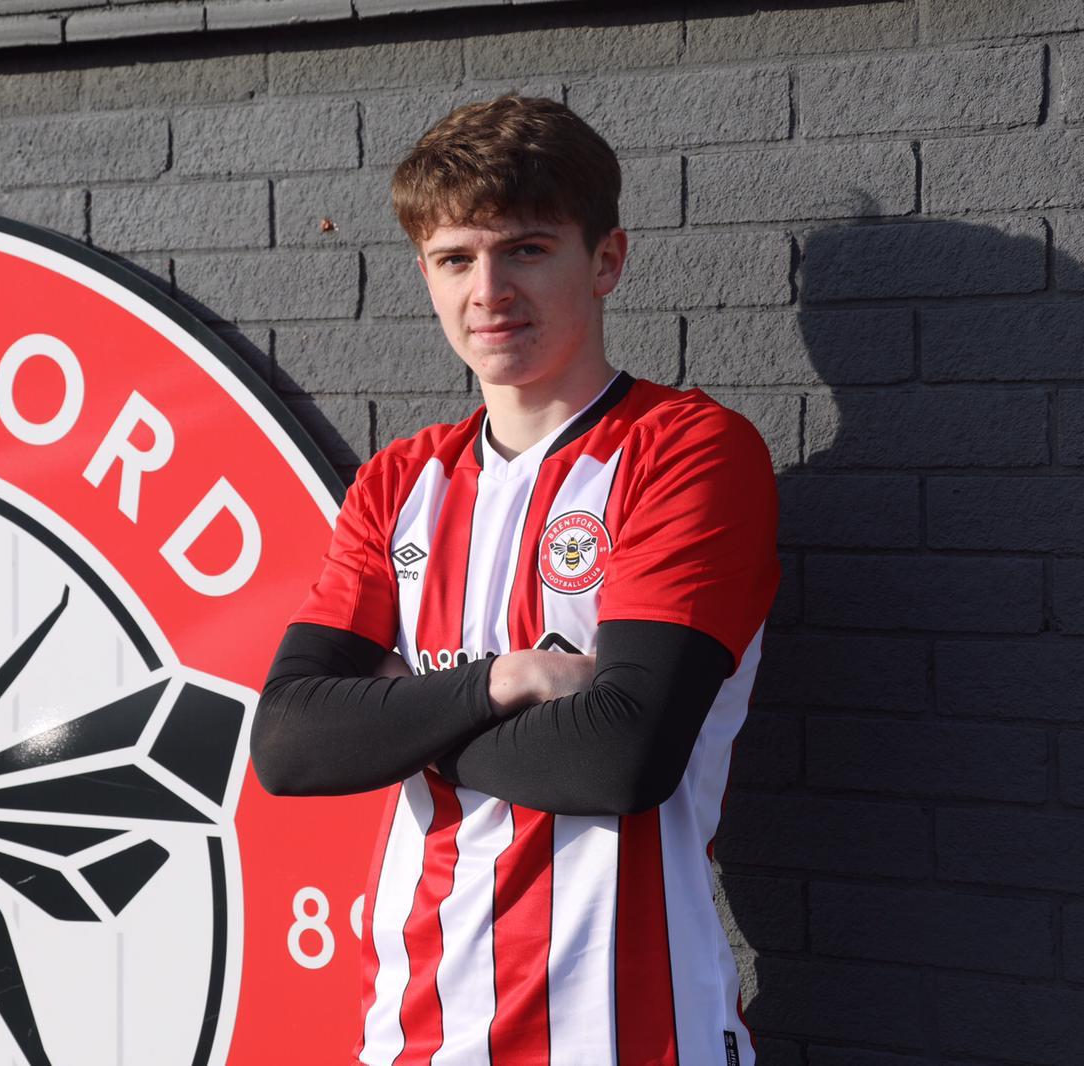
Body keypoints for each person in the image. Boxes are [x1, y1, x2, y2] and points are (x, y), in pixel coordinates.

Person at [250, 95, 780, 1065]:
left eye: (526, 250)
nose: (488, 291)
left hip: (628, 1033)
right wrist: (502, 681)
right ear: (425, 275)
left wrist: (400, 723)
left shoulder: (687, 452)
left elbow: (620, 758)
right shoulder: (398, 483)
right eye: (456, 259)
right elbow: (288, 743)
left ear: (606, 260)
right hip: (415, 1033)